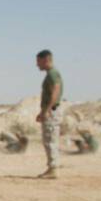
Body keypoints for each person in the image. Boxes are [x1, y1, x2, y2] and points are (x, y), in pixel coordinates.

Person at [35, 50, 63, 179]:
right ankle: (53, 167)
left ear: (46, 60)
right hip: (51, 110)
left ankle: (53, 169)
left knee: (50, 140)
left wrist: (47, 110)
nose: (37, 65)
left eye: (39, 62)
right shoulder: (51, 74)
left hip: (52, 111)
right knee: (49, 139)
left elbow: (55, 92)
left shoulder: (52, 74)